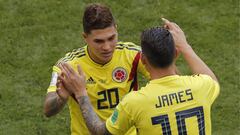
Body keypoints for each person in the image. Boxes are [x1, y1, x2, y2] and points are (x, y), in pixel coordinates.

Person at [58, 18, 220, 135]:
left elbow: (101, 132)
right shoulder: (201, 86)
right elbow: (212, 79)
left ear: (143, 59)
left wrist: (81, 93)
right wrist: (185, 45)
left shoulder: (135, 102)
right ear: (176, 54)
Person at [43, 3, 150, 135]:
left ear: (116, 30)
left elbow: (168, 79)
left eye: (111, 38)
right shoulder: (67, 66)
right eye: (98, 41)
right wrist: (62, 98)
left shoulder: (133, 55)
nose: (107, 47)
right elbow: (48, 109)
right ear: (85, 38)